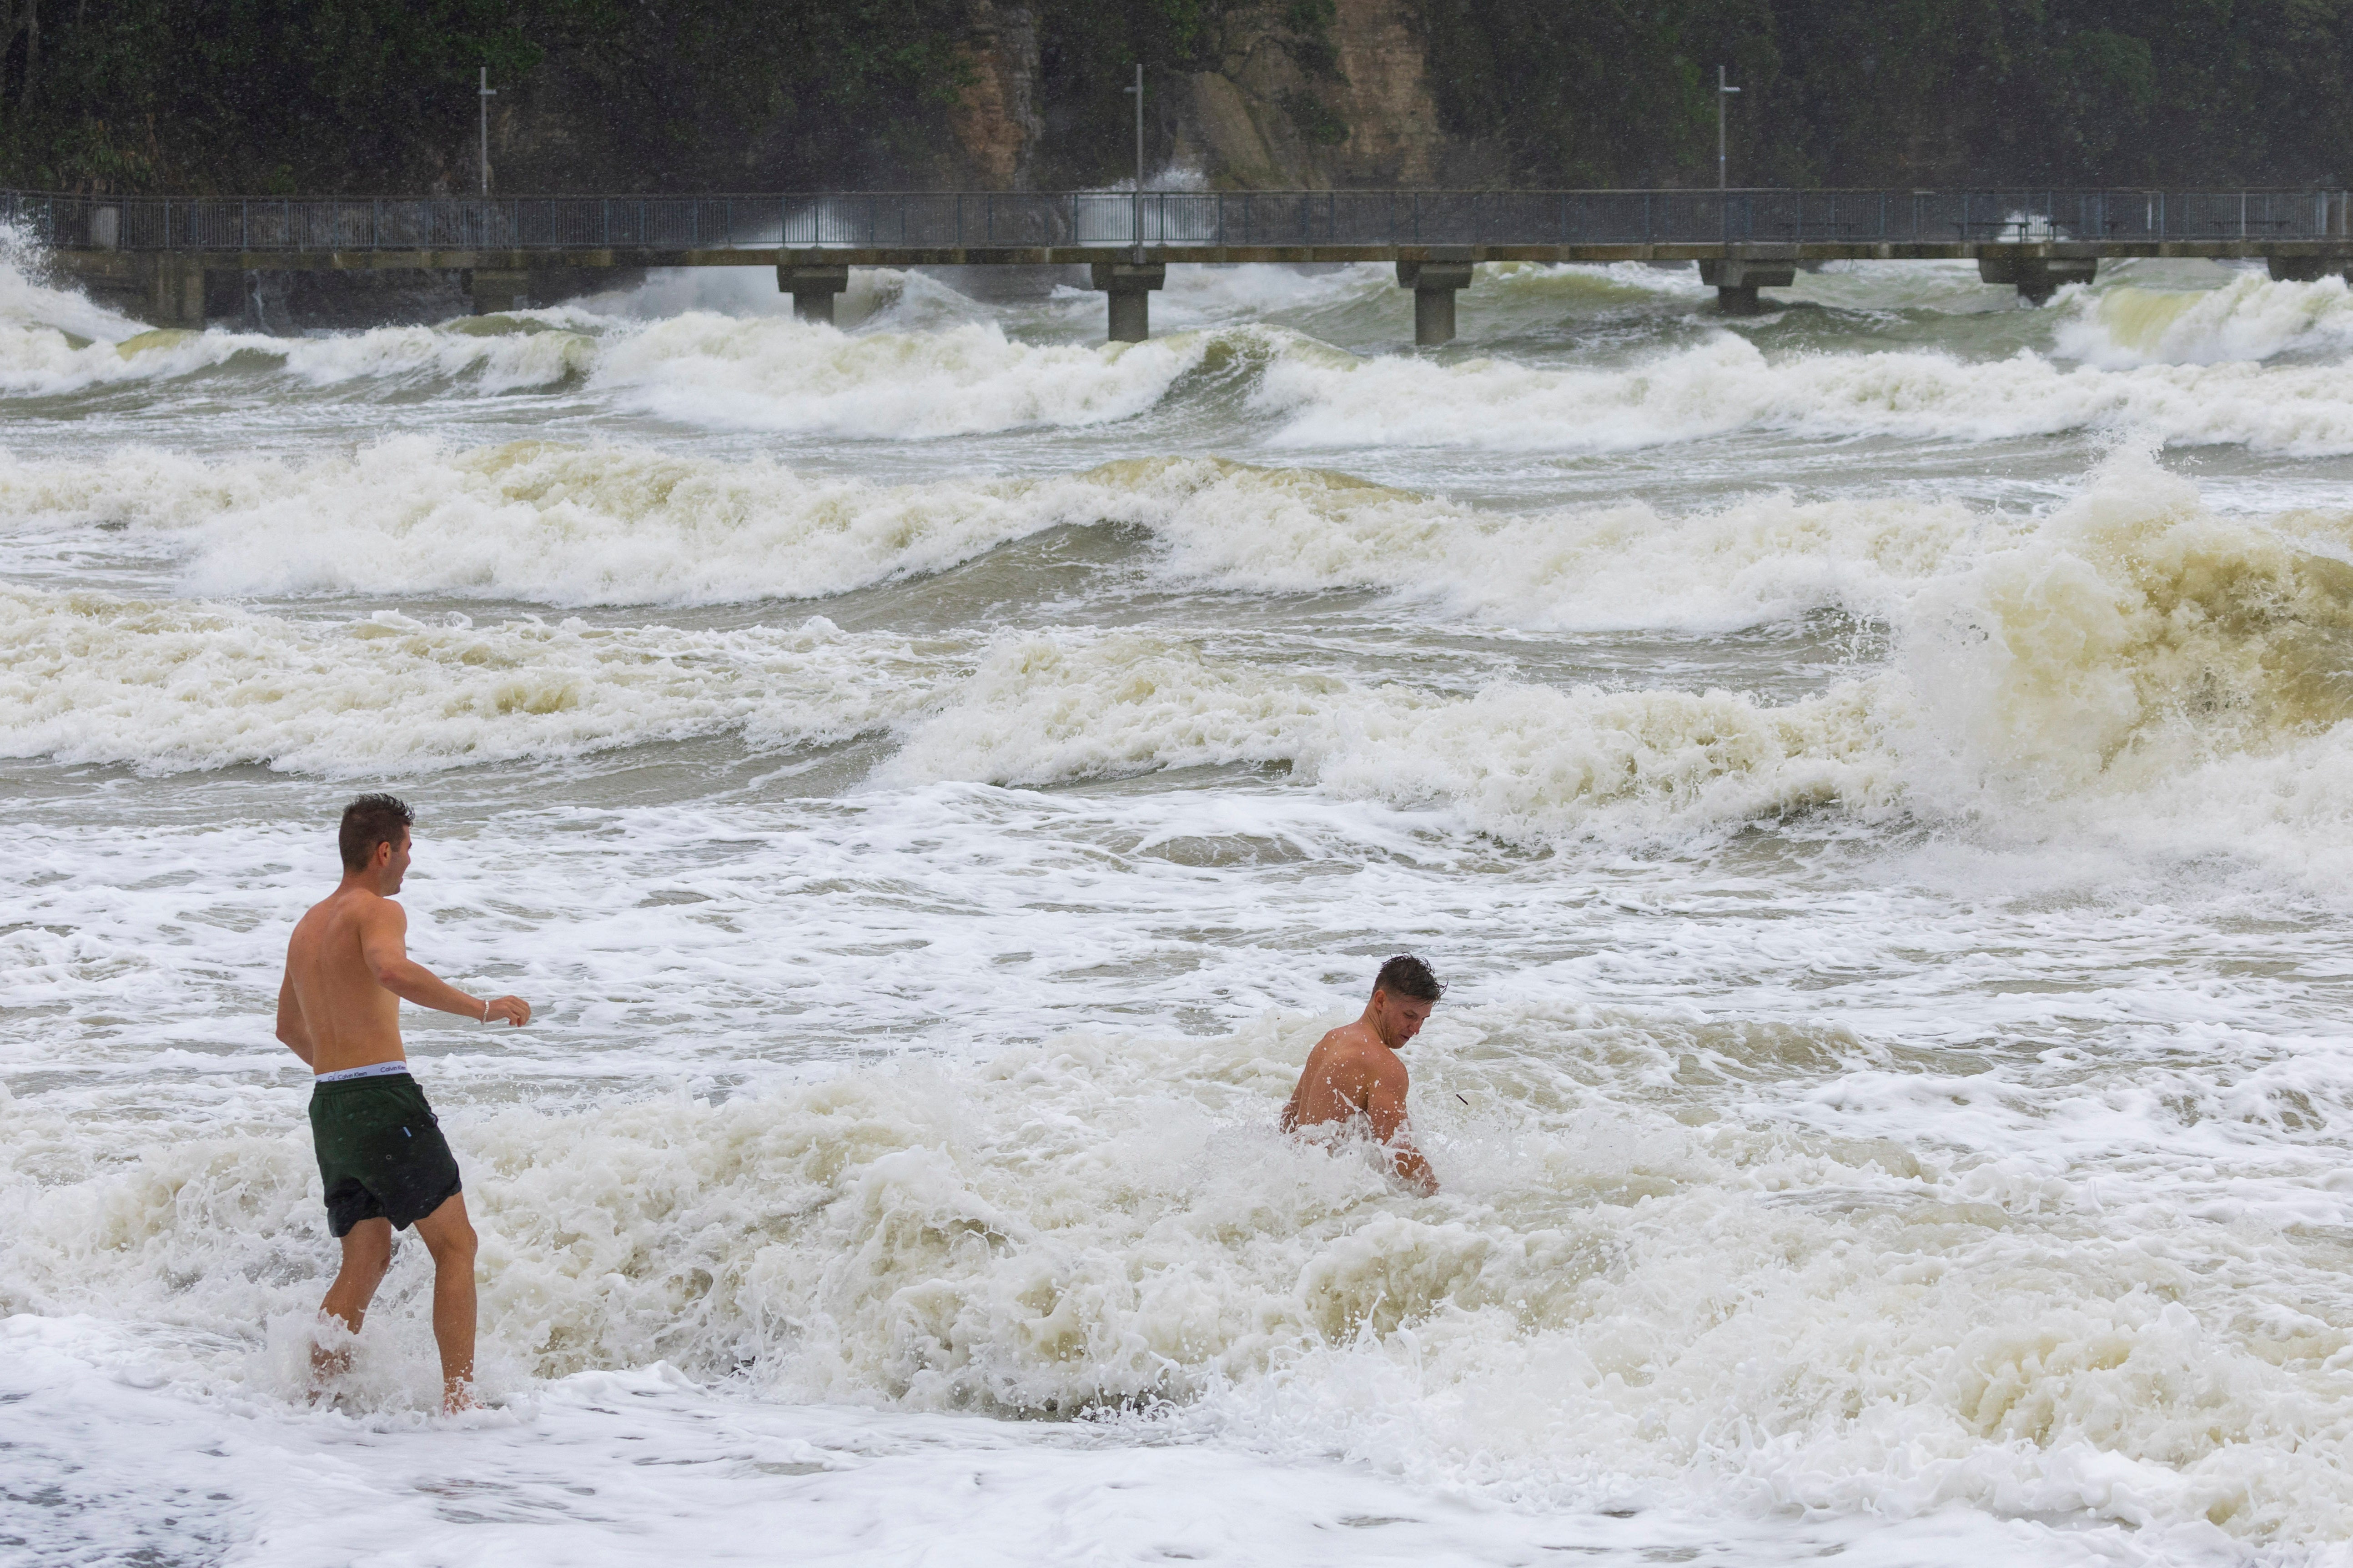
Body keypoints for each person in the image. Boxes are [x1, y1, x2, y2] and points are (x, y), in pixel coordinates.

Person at [273, 794, 531, 1412]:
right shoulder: (378, 909)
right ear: (384, 851)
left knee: (365, 1257)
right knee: (457, 1245)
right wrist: (483, 1008)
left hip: (330, 1103)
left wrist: (344, 1076)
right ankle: (460, 1403)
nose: (411, 861)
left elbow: (287, 1028)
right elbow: (390, 970)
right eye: (409, 848)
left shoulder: (307, 926)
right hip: (381, 1096)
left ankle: (317, 1399)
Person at [1280, 955, 1443, 1194]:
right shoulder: (1384, 1065)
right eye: (1409, 1016)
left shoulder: (1332, 1040)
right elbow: (1400, 1152)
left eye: (1423, 1020)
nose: (1416, 1029)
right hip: (1332, 1197)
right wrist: (1442, 1198)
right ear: (1381, 1000)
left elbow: (1289, 1119)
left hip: (1298, 1188)